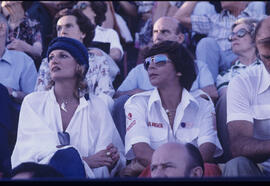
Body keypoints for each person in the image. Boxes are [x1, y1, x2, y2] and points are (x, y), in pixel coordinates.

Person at [11, 37, 125, 178]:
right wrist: (86, 161)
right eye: (51, 57)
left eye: (63, 56)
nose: (54, 60)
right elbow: (33, 152)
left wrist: (113, 159)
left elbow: (108, 158)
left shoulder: (98, 106)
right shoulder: (33, 102)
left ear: (79, 65)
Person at [123, 41, 222, 177]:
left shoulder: (203, 104)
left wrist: (176, 172)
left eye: (159, 61)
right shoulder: (137, 103)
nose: (151, 66)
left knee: (209, 169)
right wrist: (167, 170)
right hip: (154, 173)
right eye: (147, 63)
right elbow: (141, 152)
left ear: (179, 70)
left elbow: (207, 150)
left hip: (190, 174)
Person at [112, 16, 217, 143]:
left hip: (188, 122)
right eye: (155, 32)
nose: (158, 36)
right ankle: (130, 159)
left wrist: (170, 95)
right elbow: (117, 97)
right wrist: (136, 94)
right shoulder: (140, 69)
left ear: (180, 38)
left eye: (164, 31)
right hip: (145, 126)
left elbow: (212, 94)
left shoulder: (198, 66)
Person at [35, 8, 115, 111]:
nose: (62, 31)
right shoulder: (47, 62)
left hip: (90, 116)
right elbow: (39, 96)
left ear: (83, 33)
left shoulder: (98, 60)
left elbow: (105, 95)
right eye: (59, 28)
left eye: (68, 26)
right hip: (54, 116)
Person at [223, 16, 270, 176]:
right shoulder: (243, 82)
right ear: (258, 52)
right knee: (236, 165)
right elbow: (238, 145)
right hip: (263, 170)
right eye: (268, 56)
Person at [174, 1, 266, 82]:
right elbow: (179, 17)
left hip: (250, 59)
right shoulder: (214, 19)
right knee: (206, 43)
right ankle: (209, 89)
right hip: (220, 61)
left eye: (241, 33)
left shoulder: (258, 18)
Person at [215, 17, 262, 162]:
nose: (234, 37)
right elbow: (229, 99)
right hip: (240, 125)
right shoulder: (225, 75)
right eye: (231, 35)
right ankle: (232, 158)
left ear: (255, 37)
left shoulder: (266, 66)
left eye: (240, 33)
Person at [1, 1, 43, 69]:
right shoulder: (2, 23)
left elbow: (38, 51)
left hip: (23, 68)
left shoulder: (32, 24)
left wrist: (25, 47)